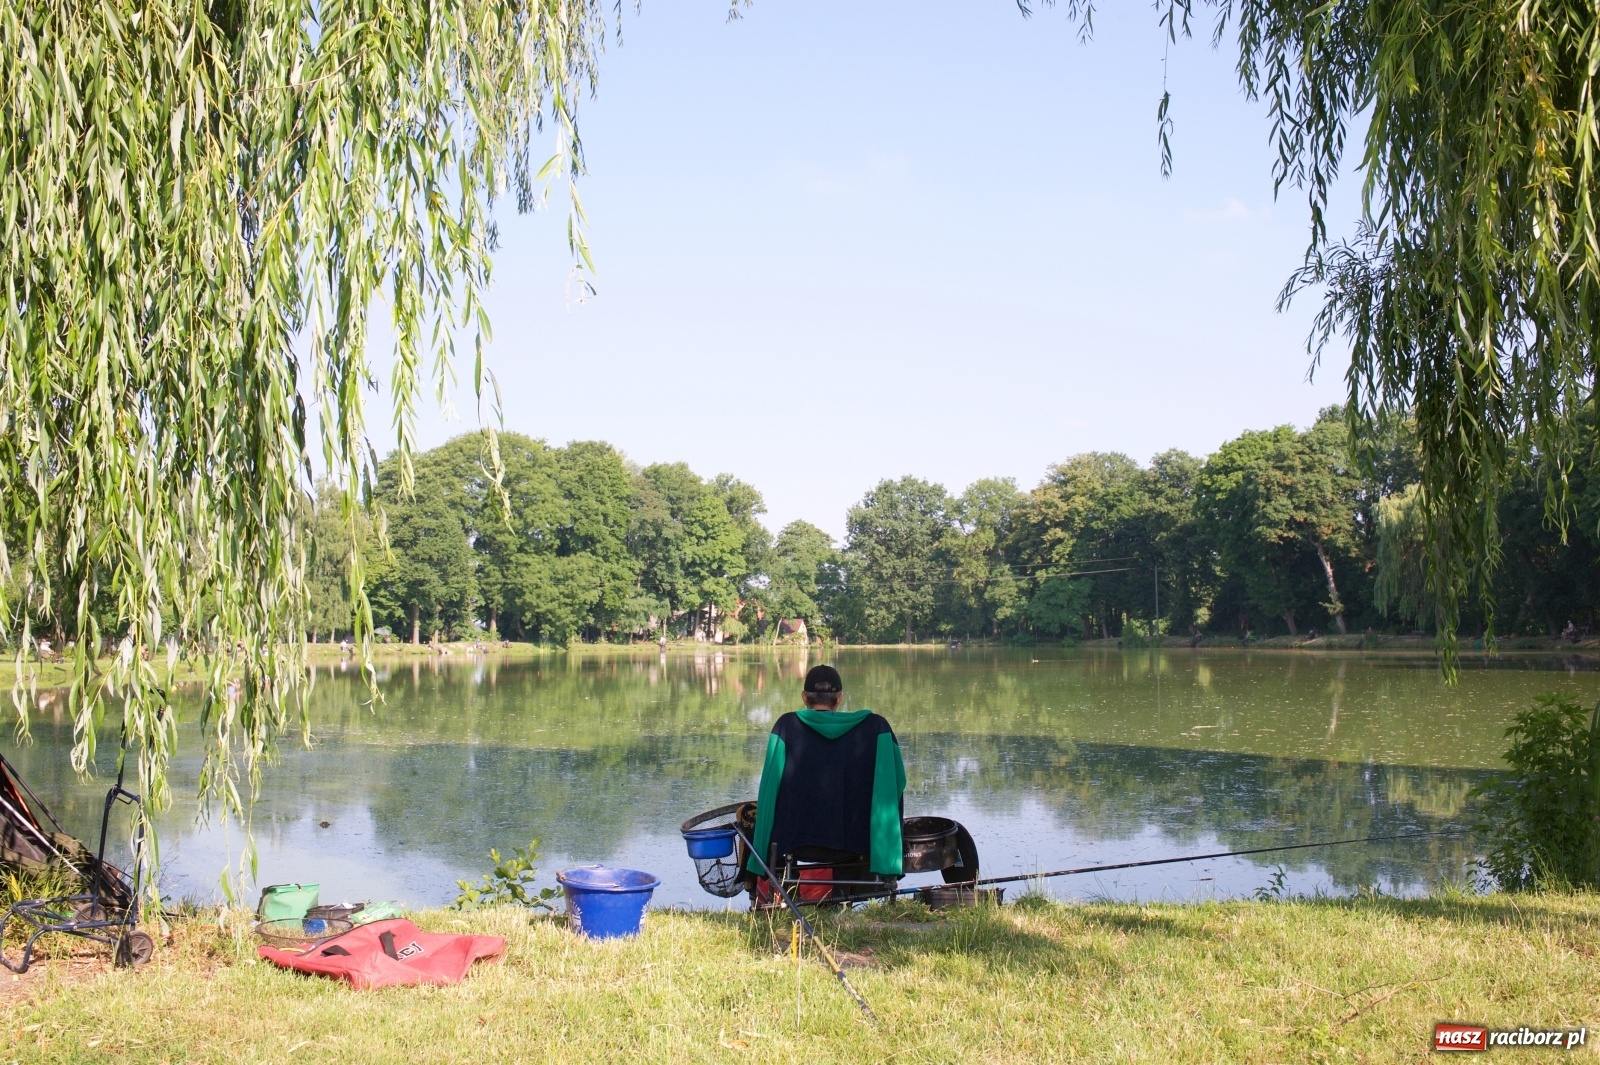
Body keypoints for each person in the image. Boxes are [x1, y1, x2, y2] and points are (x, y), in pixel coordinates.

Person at [745, 665, 906, 893]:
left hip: (797, 842)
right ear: (839, 699)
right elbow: (896, 785)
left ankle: (783, 893)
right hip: (859, 842)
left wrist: (758, 860)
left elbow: (768, 791)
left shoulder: (786, 727)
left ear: (804, 697)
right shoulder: (877, 728)